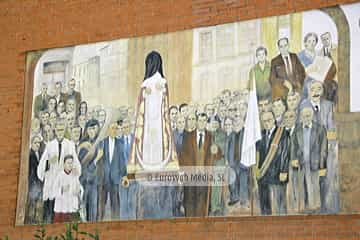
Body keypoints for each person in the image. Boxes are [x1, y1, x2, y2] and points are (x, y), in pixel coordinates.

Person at [128, 51, 178, 173]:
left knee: (147, 144)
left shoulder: (145, 84)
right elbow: (164, 107)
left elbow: (141, 107)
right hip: (159, 123)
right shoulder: (162, 83)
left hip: (147, 123)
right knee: (158, 144)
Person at [37, 121, 81, 223]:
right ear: (55, 131)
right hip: (52, 182)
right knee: (50, 214)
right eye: (58, 129)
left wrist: (76, 170)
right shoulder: (49, 145)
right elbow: (41, 166)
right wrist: (49, 162)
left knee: (63, 213)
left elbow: (76, 163)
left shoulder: (70, 144)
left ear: (64, 130)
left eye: (62, 129)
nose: (60, 131)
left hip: (64, 182)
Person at [179, 113, 222, 217]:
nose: (202, 123)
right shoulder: (188, 136)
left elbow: (218, 155)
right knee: (189, 204)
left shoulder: (211, 136)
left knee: (202, 206)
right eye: (200, 120)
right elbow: (183, 156)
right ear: (197, 122)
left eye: (204, 121)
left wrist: (216, 150)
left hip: (204, 177)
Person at [291, 107, 328, 212]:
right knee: (303, 186)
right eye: (303, 116)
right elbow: (293, 146)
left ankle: (316, 207)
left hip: (315, 163)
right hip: (301, 163)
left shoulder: (320, 129)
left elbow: (323, 149)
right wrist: (293, 158)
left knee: (315, 186)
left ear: (312, 116)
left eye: (308, 115)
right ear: (301, 117)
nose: (306, 118)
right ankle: (305, 207)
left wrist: (322, 166)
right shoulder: (297, 129)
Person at [256, 112, 289, 215]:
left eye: (269, 120)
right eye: (264, 121)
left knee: (279, 205)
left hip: (277, 174)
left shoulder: (282, 133)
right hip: (263, 176)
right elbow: (257, 154)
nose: (266, 123)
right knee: (265, 206)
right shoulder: (260, 135)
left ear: (274, 119)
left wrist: (284, 170)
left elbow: (285, 152)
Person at [97, 120, 123, 221]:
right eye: (113, 128)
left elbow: (122, 161)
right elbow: (98, 161)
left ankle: (116, 223)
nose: (114, 130)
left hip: (115, 179)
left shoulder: (120, 144)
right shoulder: (102, 143)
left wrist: (124, 175)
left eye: (116, 129)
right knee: (101, 204)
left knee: (115, 203)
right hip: (104, 179)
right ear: (108, 130)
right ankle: (99, 223)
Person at [78, 119, 102, 222]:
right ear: (87, 130)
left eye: (94, 129)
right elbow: (82, 165)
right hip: (85, 181)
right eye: (90, 129)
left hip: (95, 181)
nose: (92, 131)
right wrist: (96, 160)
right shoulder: (84, 144)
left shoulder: (100, 143)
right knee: (85, 208)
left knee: (94, 209)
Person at [53, 154, 83, 223]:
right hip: (61, 208)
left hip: (72, 208)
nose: (70, 165)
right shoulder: (59, 175)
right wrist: (62, 189)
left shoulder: (75, 175)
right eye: (68, 163)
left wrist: (79, 190)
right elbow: (53, 191)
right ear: (64, 164)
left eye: (71, 163)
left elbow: (80, 187)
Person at [25, 135, 45, 224]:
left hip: (40, 184)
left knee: (38, 205)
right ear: (31, 143)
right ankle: (30, 223)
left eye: (39, 143)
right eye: (35, 142)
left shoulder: (40, 154)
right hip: (33, 185)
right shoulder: (29, 155)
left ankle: (36, 223)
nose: (37, 144)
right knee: (32, 205)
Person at [297, 32, 319, 99]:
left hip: (318, 84)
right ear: (305, 43)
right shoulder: (300, 56)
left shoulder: (319, 54)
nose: (312, 43)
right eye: (309, 41)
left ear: (316, 42)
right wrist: (307, 70)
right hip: (305, 85)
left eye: (313, 41)